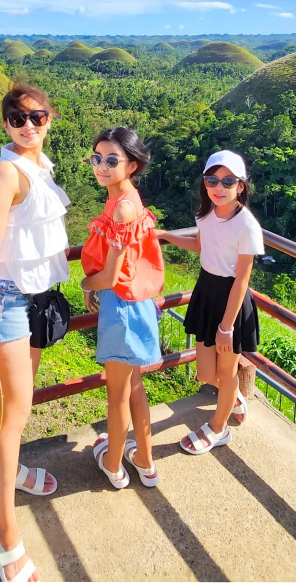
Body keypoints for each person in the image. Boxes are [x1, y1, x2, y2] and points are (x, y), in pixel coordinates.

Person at [0, 83, 70, 583]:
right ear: (5, 123)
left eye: (37, 116)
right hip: (7, 302)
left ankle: (17, 473)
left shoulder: (41, 168)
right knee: (8, 419)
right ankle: (4, 535)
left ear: (50, 119)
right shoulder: (7, 171)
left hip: (36, 299)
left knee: (20, 411)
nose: (28, 125)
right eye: (17, 117)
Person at [159, 150, 264, 455]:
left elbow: (242, 279)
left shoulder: (246, 225)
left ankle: (219, 428)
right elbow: (200, 246)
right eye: (212, 180)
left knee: (227, 371)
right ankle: (232, 397)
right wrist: (165, 235)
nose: (219, 187)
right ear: (205, 183)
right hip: (207, 289)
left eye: (228, 181)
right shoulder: (205, 214)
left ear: (240, 186)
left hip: (231, 301)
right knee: (206, 373)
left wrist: (227, 327)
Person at [80, 126, 165, 488]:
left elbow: (111, 276)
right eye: (96, 158)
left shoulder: (123, 208)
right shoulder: (127, 198)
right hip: (138, 304)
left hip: (123, 307)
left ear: (131, 165)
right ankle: (145, 463)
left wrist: (86, 283)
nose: (101, 166)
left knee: (117, 394)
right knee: (133, 388)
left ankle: (113, 464)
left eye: (111, 160)